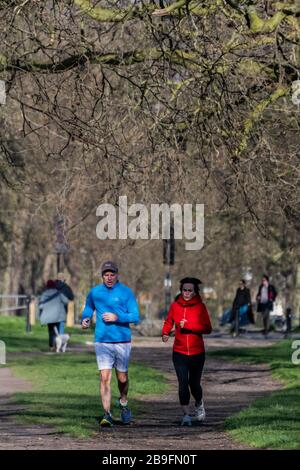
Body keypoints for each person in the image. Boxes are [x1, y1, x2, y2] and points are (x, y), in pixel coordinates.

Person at [81, 261, 140, 427]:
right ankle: (107, 414)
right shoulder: (95, 292)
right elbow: (88, 308)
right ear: (102, 276)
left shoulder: (126, 292)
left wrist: (117, 317)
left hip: (122, 340)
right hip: (102, 341)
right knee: (104, 378)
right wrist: (84, 319)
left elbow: (135, 316)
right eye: (106, 275)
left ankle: (123, 402)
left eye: (112, 274)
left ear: (117, 275)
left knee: (122, 378)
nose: (109, 277)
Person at [162, 277, 212, 426]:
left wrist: (190, 326)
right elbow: (169, 321)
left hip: (197, 352)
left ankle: (199, 402)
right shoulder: (175, 306)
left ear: (195, 292)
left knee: (194, 384)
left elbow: (208, 328)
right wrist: (165, 332)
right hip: (179, 352)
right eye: (184, 290)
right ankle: (186, 415)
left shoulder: (200, 307)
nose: (187, 293)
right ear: (181, 290)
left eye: (190, 290)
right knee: (182, 383)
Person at [38, 280, 69, 351]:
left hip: (49, 317)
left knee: (51, 332)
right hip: (59, 316)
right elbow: (66, 301)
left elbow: (41, 306)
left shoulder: (44, 294)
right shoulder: (59, 293)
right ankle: (58, 347)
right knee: (59, 332)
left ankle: (51, 346)